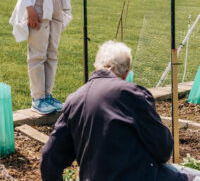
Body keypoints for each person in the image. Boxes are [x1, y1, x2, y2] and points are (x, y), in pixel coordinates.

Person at [40, 40, 198, 181]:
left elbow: (50, 158)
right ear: (126, 74)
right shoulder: (133, 94)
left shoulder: (74, 101)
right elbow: (163, 150)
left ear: (96, 66)